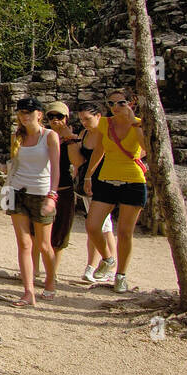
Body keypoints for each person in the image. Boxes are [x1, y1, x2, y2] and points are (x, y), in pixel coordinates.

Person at [0, 97, 61, 307]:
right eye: (21, 112)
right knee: (24, 243)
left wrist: (52, 196)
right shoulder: (16, 137)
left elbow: (56, 168)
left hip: (41, 193)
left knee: (44, 245)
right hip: (16, 192)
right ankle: (28, 292)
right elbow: (14, 166)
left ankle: (50, 281)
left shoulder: (50, 137)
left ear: (39, 114)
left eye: (29, 112)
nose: (25, 116)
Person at [83, 89, 150, 291]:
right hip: (106, 179)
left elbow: (146, 147)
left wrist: (134, 122)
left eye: (120, 103)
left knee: (125, 232)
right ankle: (108, 259)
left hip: (133, 181)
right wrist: (88, 175)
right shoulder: (105, 123)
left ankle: (121, 275)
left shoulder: (139, 122)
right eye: (111, 103)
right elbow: (99, 150)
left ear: (131, 103)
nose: (115, 107)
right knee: (92, 225)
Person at [75, 101, 119, 282]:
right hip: (88, 183)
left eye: (87, 118)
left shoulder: (105, 133)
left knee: (104, 226)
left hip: (104, 181)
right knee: (96, 226)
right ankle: (97, 265)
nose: (84, 122)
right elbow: (80, 160)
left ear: (99, 116)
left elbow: (102, 155)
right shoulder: (84, 134)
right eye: (81, 119)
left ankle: (108, 265)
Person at [44, 101, 77, 261]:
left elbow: (77, 161)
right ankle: (34, 270)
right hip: (43, 188)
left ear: (66, 118)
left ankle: (53, 274)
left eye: (59, 116)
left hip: (64, 189)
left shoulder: (73, 139)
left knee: (60, 236)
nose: (55, 120)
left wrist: (69, 139)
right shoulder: (43, 137)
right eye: (51, 116)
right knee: (37, 234)